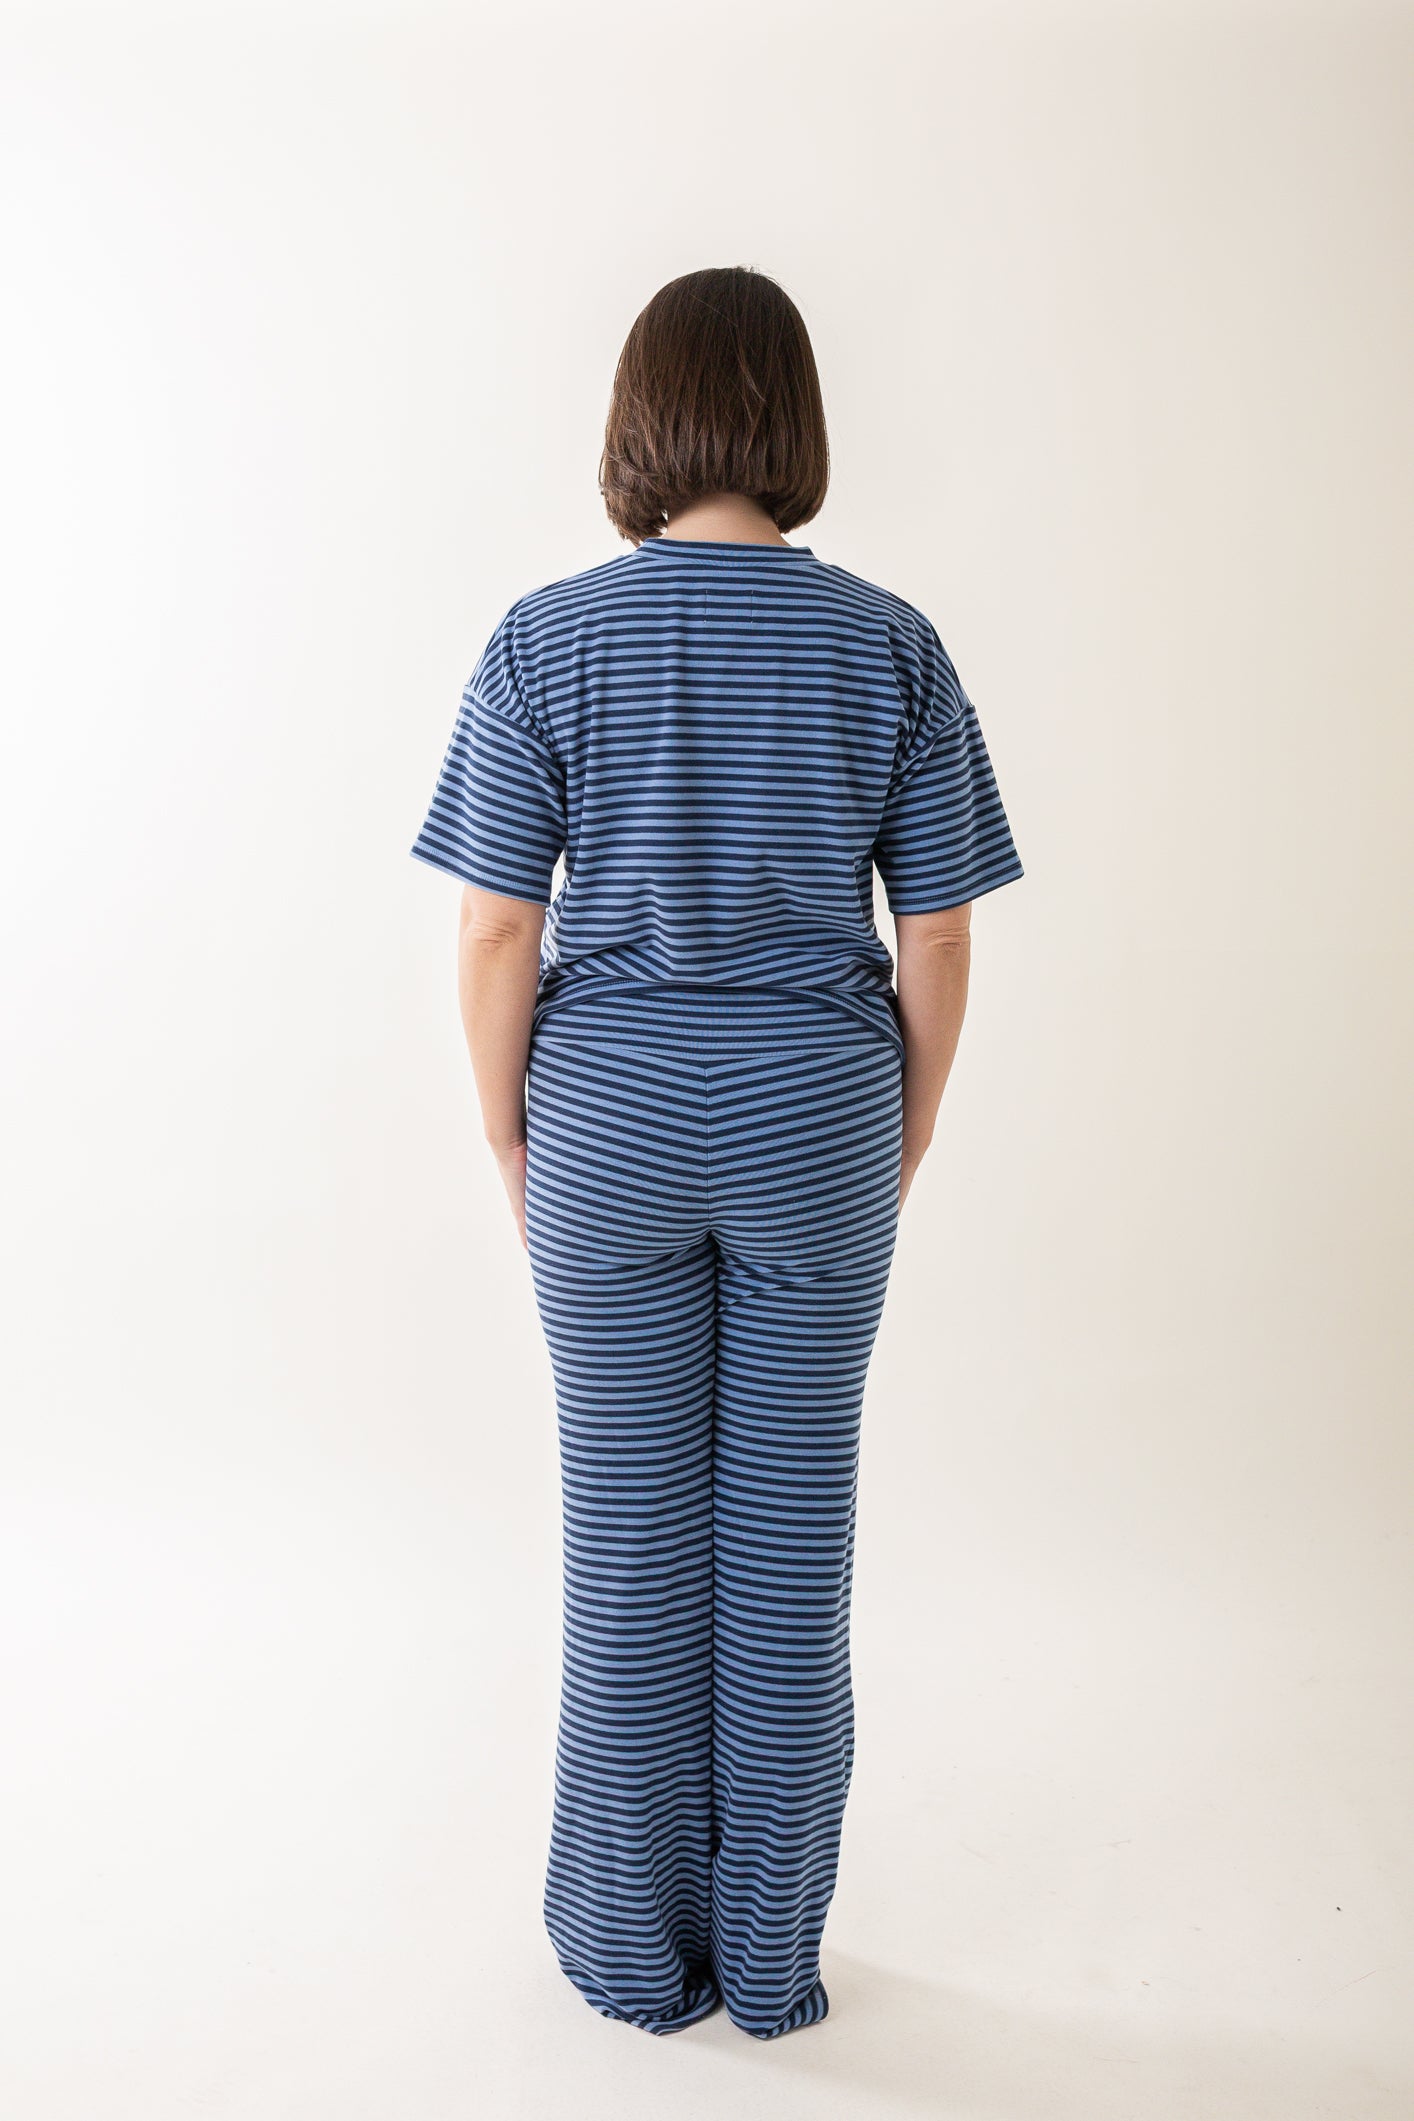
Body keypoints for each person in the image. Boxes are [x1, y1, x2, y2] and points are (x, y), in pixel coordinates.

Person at [409, 265, 1024, 2041]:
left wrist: (512, 1131)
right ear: (794, 423)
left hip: (605, 1127)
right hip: (816, 1125)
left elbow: (494, 929)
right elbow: (939, 932)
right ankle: (763, 1964)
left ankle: (629, 1957)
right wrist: (898, 1131)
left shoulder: (544, 640)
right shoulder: (890, 645)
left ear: (638, 422)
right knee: (786, 1550)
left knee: (626, 1547)